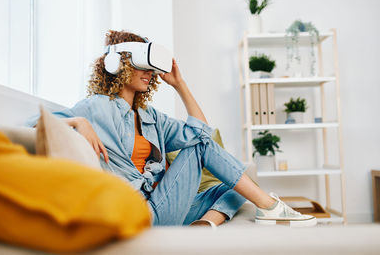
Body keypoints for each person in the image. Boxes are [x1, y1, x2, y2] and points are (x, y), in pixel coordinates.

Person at [27, 30, 316, 227]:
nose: (149, 72)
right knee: (208, 151)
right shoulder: (95, 108)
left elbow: (200, 132)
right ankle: (272, 208)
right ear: (118, 63)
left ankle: (205, 225)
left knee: (235, 184)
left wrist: (180, 85)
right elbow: (33, 126)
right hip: (138, 209)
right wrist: (78, 122)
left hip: (165, 204)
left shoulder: (151, 116)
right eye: (140, 63)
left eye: (151, 66)